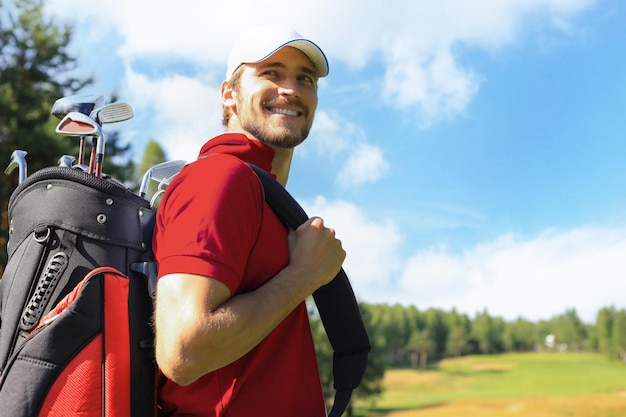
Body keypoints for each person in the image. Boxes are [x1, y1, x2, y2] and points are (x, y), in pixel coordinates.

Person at [153, 26, 346, 417]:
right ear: (229, 94)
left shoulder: (262, 195)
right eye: (271, 72)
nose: (291, 88)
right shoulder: (221, 178)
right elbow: (183, 352)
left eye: (304, 79)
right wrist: (303, 277)